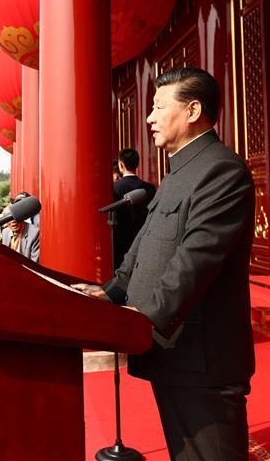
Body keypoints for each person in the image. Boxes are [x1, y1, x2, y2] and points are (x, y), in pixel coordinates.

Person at [72, 68, 255, 461]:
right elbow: (145, 246)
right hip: (174, 348)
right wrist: (110, 292)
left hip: (202, 357)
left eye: (158, 107)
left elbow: (196, 260)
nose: (149, 118)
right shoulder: (178, 171)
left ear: (193, 110)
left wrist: (141, 319)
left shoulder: (221, 170)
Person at [111, 148, 156, 271]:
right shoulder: (149, 188)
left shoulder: (114, 188)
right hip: (143, 239)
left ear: (121, 164)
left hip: (119, 240)